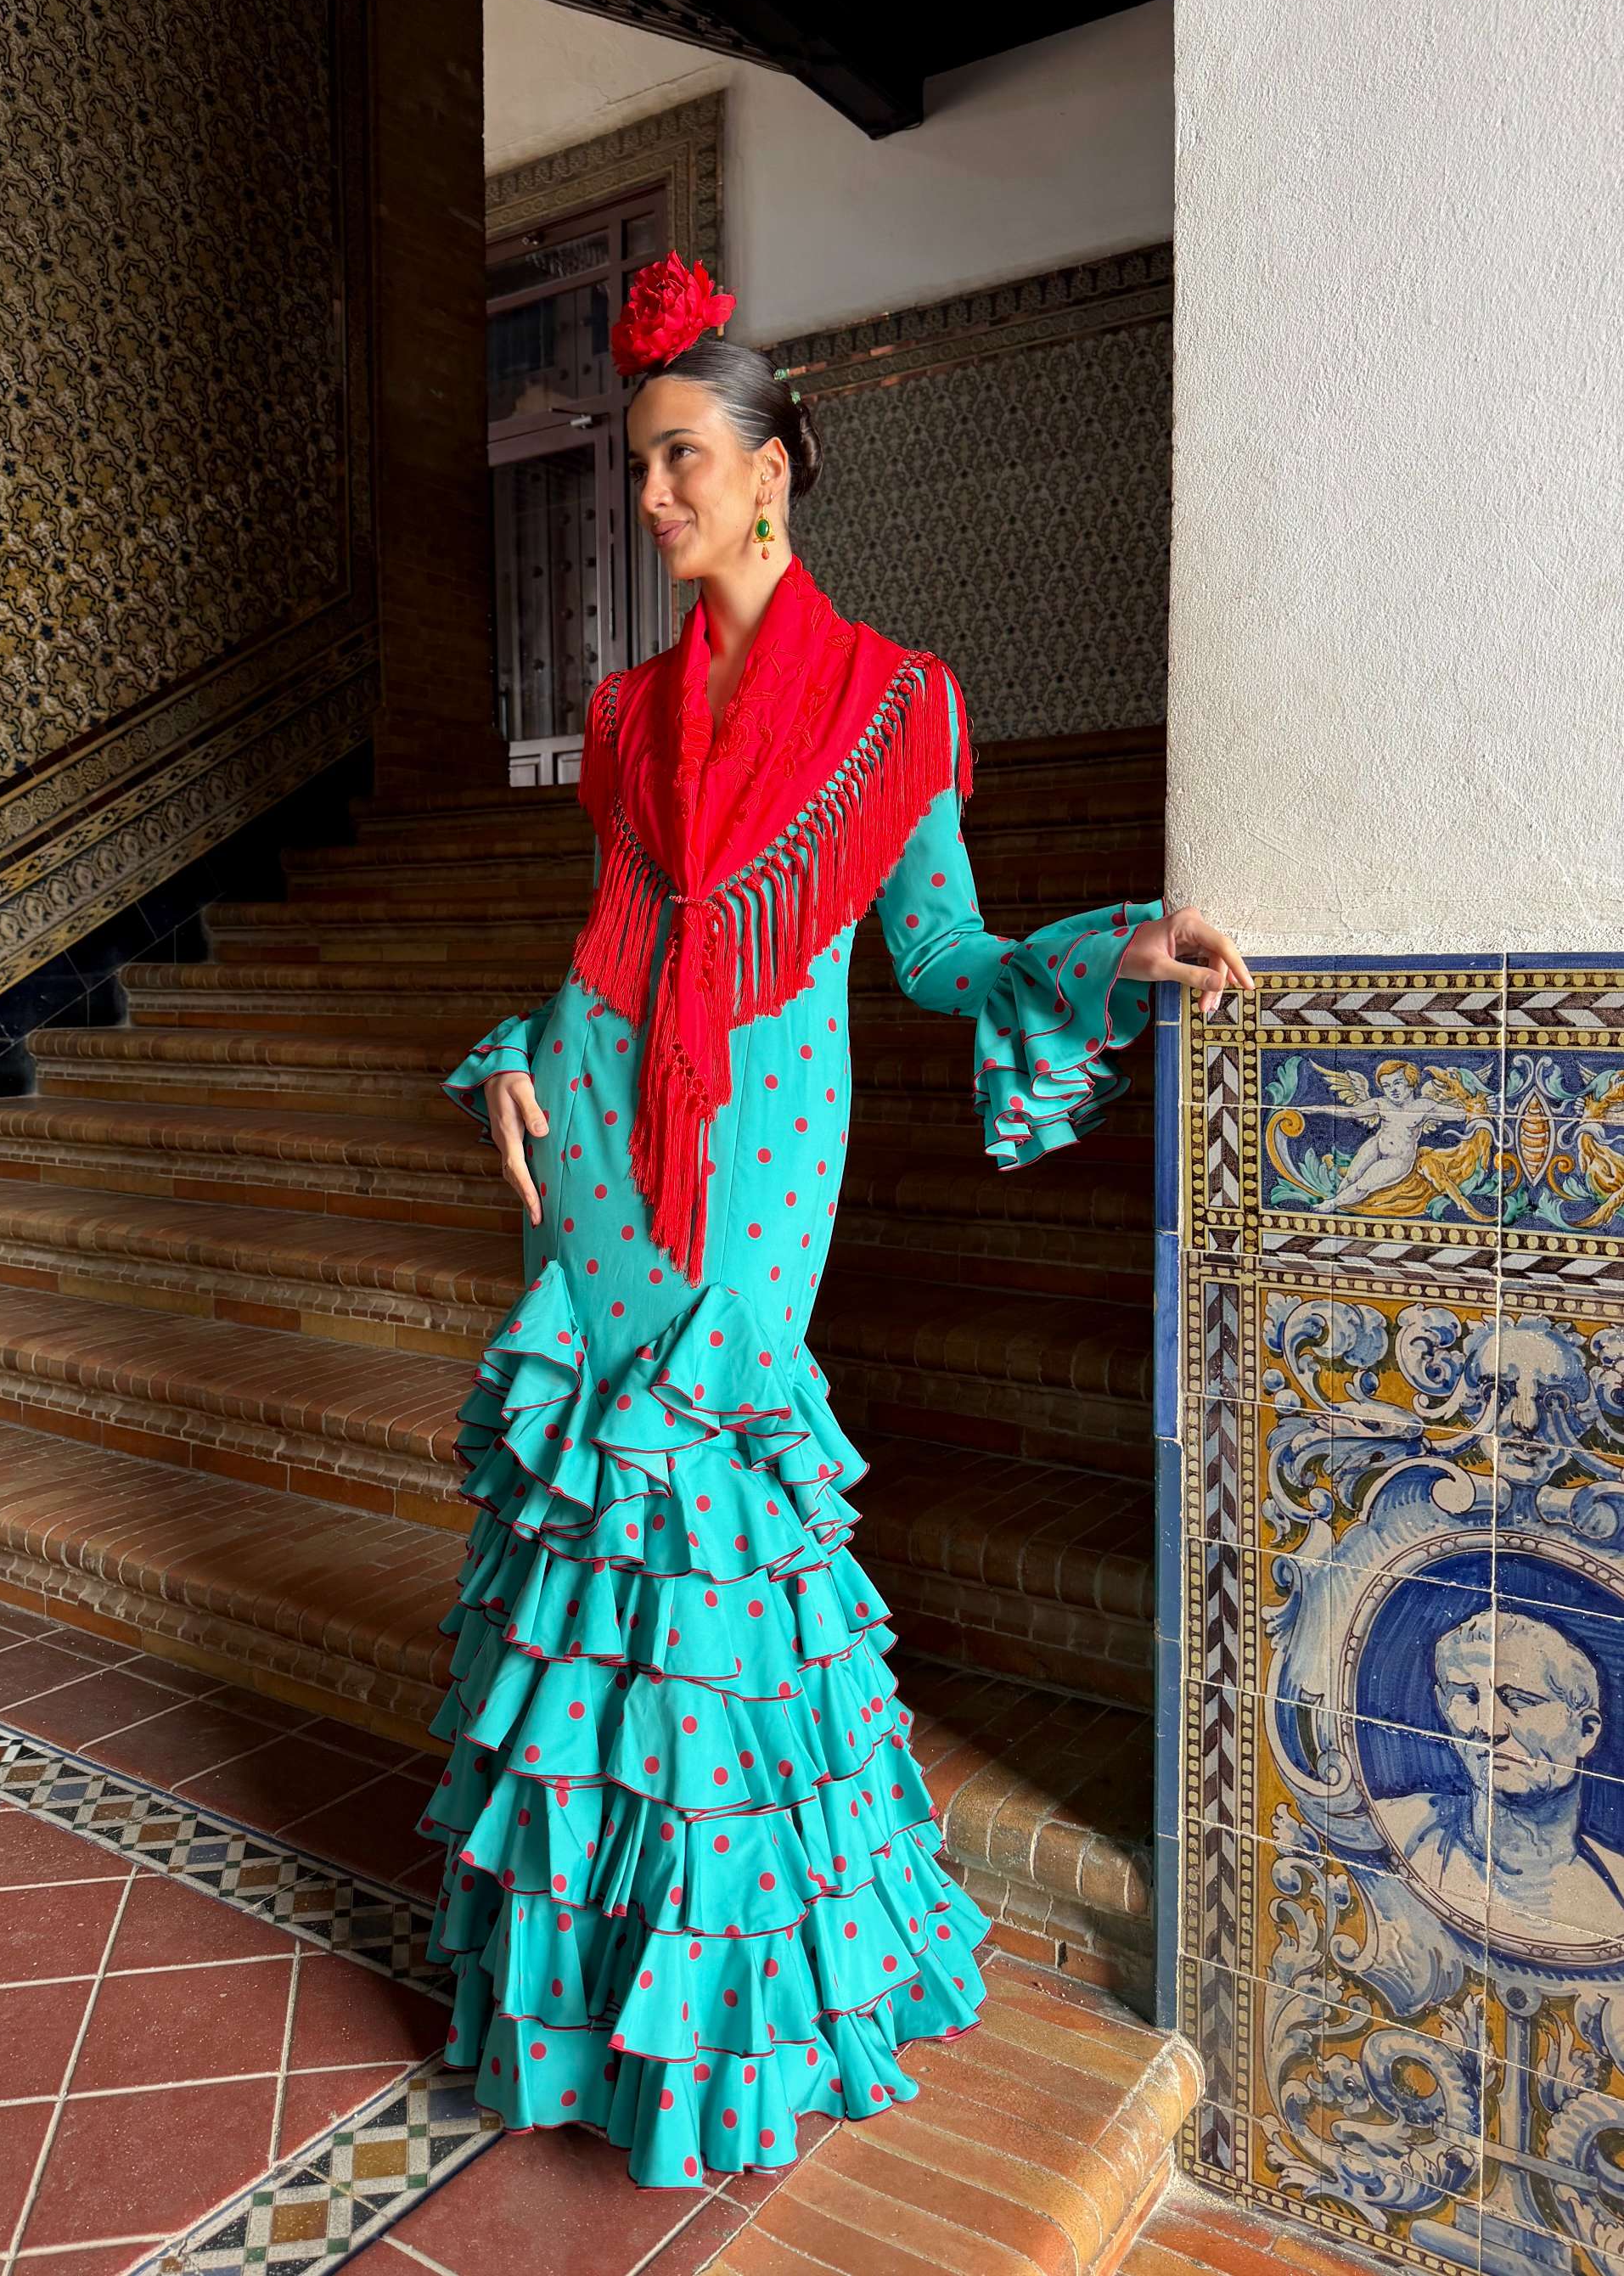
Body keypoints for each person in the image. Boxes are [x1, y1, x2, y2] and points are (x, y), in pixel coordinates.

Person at [422, 251, 1250, 2187]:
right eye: (641, 466)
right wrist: (515, 1063)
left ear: (777, 465)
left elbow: (944, 950)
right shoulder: (625, 718)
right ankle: (593, 1985)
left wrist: (1108, 947)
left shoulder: (896, 704)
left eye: (681, 460)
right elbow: (601, 962)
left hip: (770, 1158)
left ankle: (737, 2011)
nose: (650, 500)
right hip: (611, 1142)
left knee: (716, 1516)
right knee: (593, 1520)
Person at [1383, 1605, 1624, 1943]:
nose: (1487, 1726)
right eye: (1467, 1696)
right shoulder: (1391, 1829)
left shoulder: (1616, 1890)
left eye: (1519, 1701)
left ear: (1585, 1731)